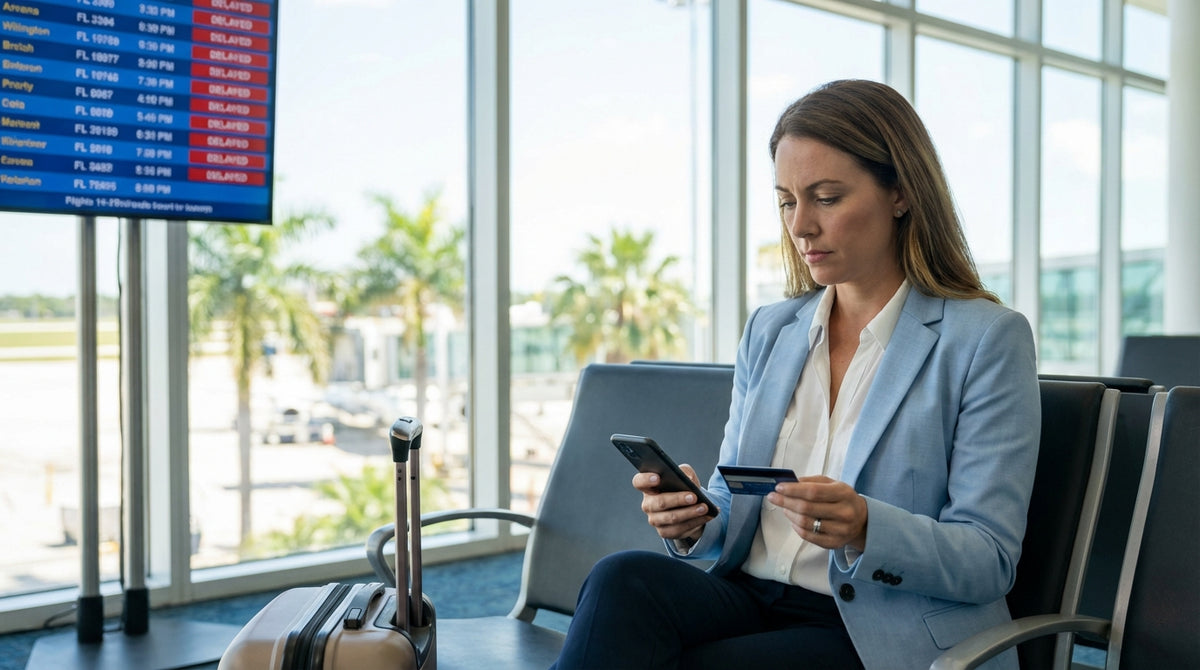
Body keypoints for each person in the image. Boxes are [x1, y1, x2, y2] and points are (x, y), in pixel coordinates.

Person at [549, 79, 1041, 670]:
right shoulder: (772, 330)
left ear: (902, 194)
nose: (800, 225)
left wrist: (865, 525)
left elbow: (988, 557)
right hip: (752, 593)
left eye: (826, 197)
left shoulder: (986, 339)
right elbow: (735, 496)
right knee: (621, 580)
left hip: (877, 623)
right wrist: (695, 520)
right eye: (787, 200)